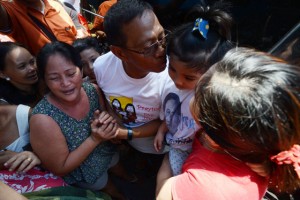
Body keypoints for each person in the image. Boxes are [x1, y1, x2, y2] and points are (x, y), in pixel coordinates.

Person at [156, 47, 300, 199]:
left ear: (212, 139)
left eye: (197, 94)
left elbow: (163, 194)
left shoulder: (202, 189)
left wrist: (167, 165)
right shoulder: (269, 144)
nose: (190, 97)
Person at [30, 41, 129, 200]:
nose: (66, 83)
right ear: (45, 80)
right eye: (54, 78)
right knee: (107, 188)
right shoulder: (42, 119)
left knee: (118, 167)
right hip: (85, 172)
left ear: (81, 70)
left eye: (70, 74)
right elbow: (61, 168)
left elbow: (109, 118)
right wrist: (95, 138)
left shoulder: (92, 90)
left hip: (107, 151)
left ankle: (128, 177)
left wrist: (109, 125)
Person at [154, 3, 233, 176]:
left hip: (197, 153)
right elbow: (170, 114)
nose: (177, 80)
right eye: (172, 69)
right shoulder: (168, 84)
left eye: (189, 77)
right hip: (176, 147)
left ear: (213, 72)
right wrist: (161, 130)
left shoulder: (209, 102)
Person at [94, 0, 168, 156]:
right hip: (133, 148)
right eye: (148, 47)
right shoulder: (102, 67)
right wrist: (112, 123)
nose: (161, 50)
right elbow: (108, 98)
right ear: (120, 53)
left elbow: (166, 122)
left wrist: (125, 133)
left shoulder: (173, 77)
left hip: (165, 147)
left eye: (162, 37)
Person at [0, 0, 89, 55]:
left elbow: (78, 24)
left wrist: (80, 32)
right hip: (50, 79)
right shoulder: (10, 11)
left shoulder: (55, 4)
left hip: (79, 69)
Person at [0, 42, 42, 107]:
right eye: (22, 66)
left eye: (32, 62)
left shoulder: (47, 81)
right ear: (2, 74)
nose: (32, 68)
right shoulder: (6, 107)